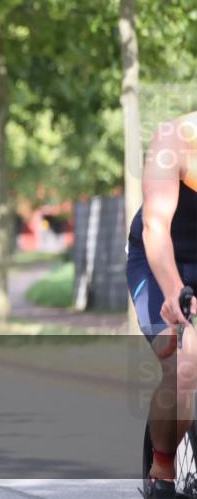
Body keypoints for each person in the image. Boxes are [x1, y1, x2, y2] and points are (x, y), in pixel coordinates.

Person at [127, 112, 197, 499]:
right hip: (160, 262)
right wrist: (173, 293)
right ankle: (163, 472)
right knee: (184, 362)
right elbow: (156, 226)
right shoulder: (176, 140)